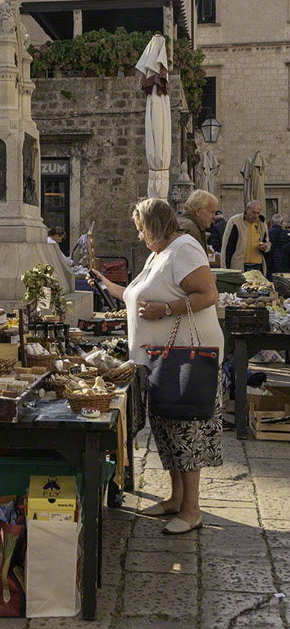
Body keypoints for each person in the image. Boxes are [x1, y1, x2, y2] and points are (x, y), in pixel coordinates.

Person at [90, 197, 223, 534]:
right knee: (166, 427)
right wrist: (104, 285)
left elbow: (208, 294)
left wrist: (166, 310)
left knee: (185, 429)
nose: (138, 236)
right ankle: (176, 497)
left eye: (140, 229)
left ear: (153, 225)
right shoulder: (157, 254)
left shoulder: (184, 248)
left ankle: (192, 510)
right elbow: (136, 297)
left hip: (184, 358)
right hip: (158, 359)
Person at [221, 200, 271, 272]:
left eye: (258, 213)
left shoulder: (262, 225)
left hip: (257, 266)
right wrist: (224, 268)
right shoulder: (235, 222)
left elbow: (267, 243)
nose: (255, 216)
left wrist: (265, 247)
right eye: (253, 212)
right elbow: (226, 246)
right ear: (247, 210)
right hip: (239, 266)